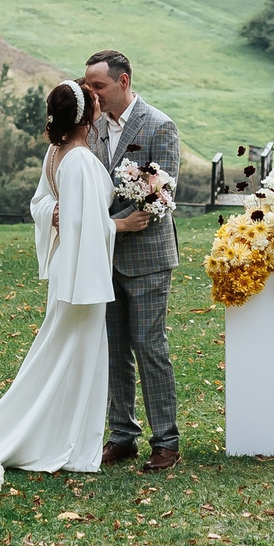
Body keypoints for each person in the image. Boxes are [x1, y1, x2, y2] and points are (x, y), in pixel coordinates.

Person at [0, 82, 119, 473]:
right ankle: (66, 443)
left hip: (72, 262)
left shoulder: (55, 152)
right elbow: (82, 222)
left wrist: (55, 213)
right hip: (83, 270)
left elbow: (45, 203)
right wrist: (123, 225)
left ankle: (61, 432)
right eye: (95, 100)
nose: (99, 102)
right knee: (77, 355)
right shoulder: (78, 159)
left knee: (65, 349)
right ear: (85, 115)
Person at [85, 50, 182, 472]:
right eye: (87, 85)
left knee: (149, 347)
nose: (91, 93)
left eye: (98, 86)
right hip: (103, 256)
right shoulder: (90, 130)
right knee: (113, 351)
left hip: (147, 258)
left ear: (123, 82)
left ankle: (167, 441)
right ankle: (121, 436)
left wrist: (109, 225)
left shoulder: (158, 126)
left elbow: (162, 195)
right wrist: (100, 230)